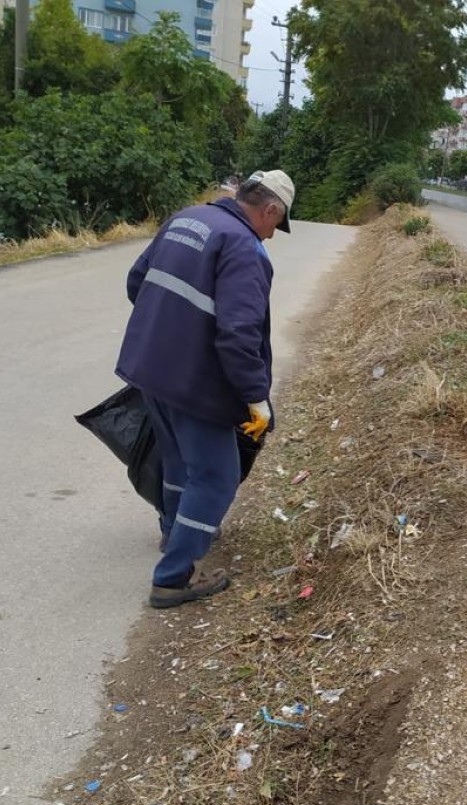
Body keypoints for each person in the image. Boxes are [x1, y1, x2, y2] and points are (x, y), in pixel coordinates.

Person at [115, 170, 295, 608]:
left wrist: (171, 330)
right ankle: (173, 579)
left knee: (178, 462)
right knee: (217, 477)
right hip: (194, 381)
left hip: (149, 368)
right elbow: (238, 334)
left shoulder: (186, 219)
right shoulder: (244, 248)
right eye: (277, 224)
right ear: (269, 209)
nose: (273, 235)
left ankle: (173, 532)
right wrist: (256, 399)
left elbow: (136, 283)